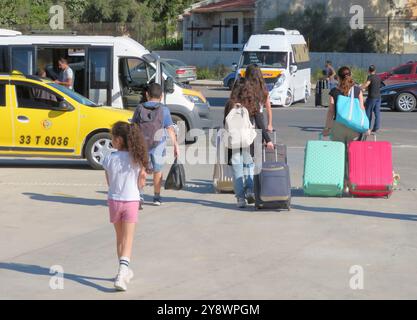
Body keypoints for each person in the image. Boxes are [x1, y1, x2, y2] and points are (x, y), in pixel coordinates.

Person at [102, 121, 149, 291]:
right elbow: (141, 184)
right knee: (128, 238)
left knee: (120, 237)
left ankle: (123, 269)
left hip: (114, 200)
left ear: (119, 140)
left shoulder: (109, 158)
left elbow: (109, 182)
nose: (112, 140)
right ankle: (123, 272)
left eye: (113, 137)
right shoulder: (137, 159)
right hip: (131, 201)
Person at [224, 80, 274, 208]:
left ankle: (240, 199)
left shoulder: (230, 104)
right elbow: (260, 123)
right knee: (249, 166)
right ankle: (250, 190)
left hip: (233, 142)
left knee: (237, 170)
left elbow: (225, 124)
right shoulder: (252, 104)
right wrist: (268, 139)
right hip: (248, 142)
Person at [135, 83, 180, 207]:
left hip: (142, 144)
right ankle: (156, 197)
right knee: (157, 171)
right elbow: (170, 128)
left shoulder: (139, 108)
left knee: (142, 171)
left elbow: (133, 127)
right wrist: (176, 145)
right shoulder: (164, 109)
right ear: (161, 96)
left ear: (147, 94)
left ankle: (140, 196)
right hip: (158, 145)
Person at [323, 66, 366, 192]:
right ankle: (352, 182)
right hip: (354, 127)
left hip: (338, 126)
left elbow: (331, 111)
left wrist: (327, 128)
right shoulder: (357, 90)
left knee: (339, 155)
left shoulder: (334, 91)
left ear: (338, 77)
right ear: (350, 75)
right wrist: (365, 126)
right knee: (352, 155)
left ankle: (341, 182)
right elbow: (362, 108)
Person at [244, 64, 274, 132]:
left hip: (246, 116)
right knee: (259, 139)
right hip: (259, 117)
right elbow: (268, 108)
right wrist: (269, 124)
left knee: (247, 140)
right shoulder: (262, 88)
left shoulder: (244, 87)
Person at [361, 64, 382, 134]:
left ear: (368, 70)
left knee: (368, 113)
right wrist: (366, 88)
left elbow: (367, 84)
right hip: (378, 97)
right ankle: (376, 128)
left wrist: (361, 87)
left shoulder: (370, 77)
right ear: (375, 70)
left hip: (371, 98)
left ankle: (367, 128)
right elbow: (376, 85)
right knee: (377, 113)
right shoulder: (378, 77)